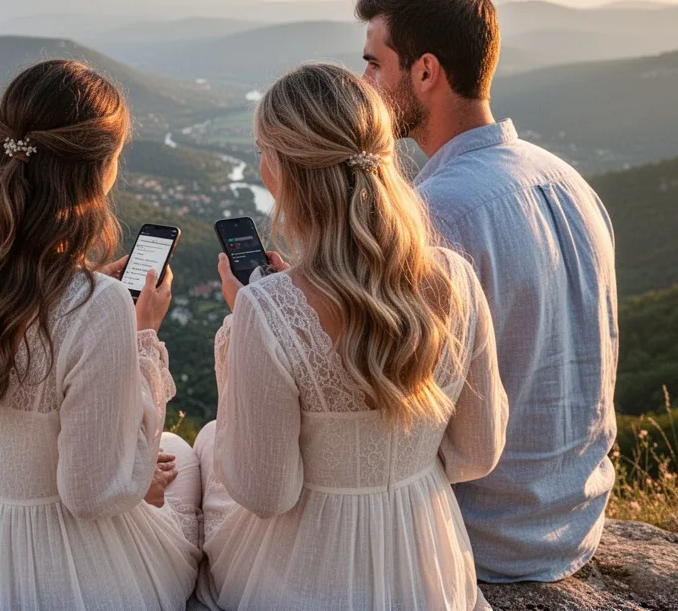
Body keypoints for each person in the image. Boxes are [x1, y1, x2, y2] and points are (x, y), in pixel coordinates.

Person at [195, 64, 507, 611]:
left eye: (264, 151)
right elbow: (476, 455)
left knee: (198, 455)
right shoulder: (456, 279)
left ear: (283, 171)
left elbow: (267, 494)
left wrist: (250, 319)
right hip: (427, 569)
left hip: (302, 572)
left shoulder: (266, 308)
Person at [0, 59, 202, 610]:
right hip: (70, 570)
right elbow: (93, 495)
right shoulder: (98, 306)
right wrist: (138, 334)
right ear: (100, 170)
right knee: (183, 462)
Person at [356, 0, 619, 583]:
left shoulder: (433, 212)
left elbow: (388, 402)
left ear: (425, 72)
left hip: (482, 536)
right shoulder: (567, 181)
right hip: (573, 518)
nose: (364, 84)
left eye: (374, 64)